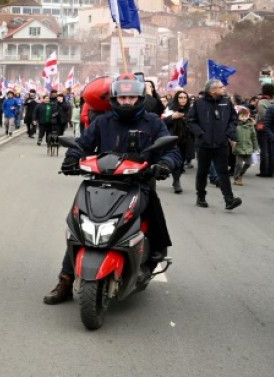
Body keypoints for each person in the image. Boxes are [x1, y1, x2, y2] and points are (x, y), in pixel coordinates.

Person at [45, 75, 180, 304]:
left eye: (132, 97)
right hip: (99, 182)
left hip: (138, 183)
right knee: (77, 226)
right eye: (122, 97)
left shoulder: (153, 123)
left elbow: (171, 150)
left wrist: (165, 164)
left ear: (140, 98)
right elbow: (82, 144)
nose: (127, 101)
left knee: (152, 214)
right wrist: (71, 159)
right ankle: (65, 280)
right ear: (114, 99)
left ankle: (155, 252)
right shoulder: (102, 121)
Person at [186, 79, 241, 210]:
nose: (224, 89)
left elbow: (233, 119)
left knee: (223, 172)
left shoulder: (226, 102)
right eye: (221, 87)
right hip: (204, 145)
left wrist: (229, 134)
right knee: (202, 172)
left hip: (221, 144)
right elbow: (190, 121)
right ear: (212, 90)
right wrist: (201, 134)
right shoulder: (199, 103)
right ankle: (201, 197)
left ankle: (229, 199)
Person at [162, 90, 194, 194]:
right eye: (180, 97)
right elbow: (162, 121)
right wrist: (172, 117)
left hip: (186, 139)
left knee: (181, 161)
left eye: (185, 98)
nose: (183, 100)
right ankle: (176, 181)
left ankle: (177, 178)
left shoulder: (191, 110)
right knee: (176, 160)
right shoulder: (170, 109)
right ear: (177, 98)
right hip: (173, 138)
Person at [232, 106, 258, 186]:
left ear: (248, 116)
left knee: (248, 163)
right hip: (238, 147)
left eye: (246, 116)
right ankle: (236, 177)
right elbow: (232, 135)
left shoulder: (251, 126)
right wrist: (232, 142)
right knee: (239, 164)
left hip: (248, 147)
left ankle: (240, 175)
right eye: (242, 116)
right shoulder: (235, 125)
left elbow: (254, 137)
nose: (244, 118)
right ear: (238, 116)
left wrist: (255, 147)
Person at [254, 83, 274, 177]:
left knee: (264, 150)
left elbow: (263, 116)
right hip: (273, 128)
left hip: (263, 128)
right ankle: (271, 170)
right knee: (271, 150)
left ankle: (264, 170)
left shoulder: (262, 102)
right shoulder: (273, 101)